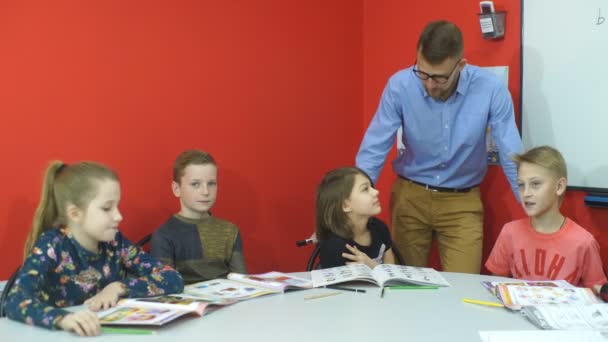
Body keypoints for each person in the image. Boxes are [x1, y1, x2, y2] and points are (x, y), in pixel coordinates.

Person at [355, 20, 522, 273]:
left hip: (462, 202)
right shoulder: (400, 85)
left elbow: (512, 152)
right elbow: (374, 147)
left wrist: (531, 204)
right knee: (403, 284)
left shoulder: (491, 90)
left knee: (465, 290)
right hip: (410, 197)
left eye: (439, 77)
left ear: (461, 66)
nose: (430, 84)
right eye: (422, 73)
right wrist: (354, 201)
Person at [4, 161, 184, 336]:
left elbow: (172, 277)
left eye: (117, 206)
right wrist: (62, 319)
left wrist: (119, 287)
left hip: (101, 333)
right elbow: (14, 301)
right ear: (75, 213)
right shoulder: (52, 245)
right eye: (107, 208)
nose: (119, 216)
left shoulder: (116, 243)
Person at [485, 146, 607, 288]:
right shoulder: (509, 232)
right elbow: (496, 288)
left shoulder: (584, 242)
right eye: (521, 185)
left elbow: (598, 294)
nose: (526, 193)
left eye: (535, 184)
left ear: (559, 186)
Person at [151, 150, 246, 284]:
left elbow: (241, 281)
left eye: (211, 183)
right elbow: (164, 285)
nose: (206, 192)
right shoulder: (164, 235)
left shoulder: (230, 230)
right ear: (176, 189)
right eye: (195, 184)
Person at [315, 167, 396, 269]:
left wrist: (372, 265)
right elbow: (338, 284)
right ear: (345, 205)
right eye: (365, 189)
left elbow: (392, 273)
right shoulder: (335, 245)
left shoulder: (380, 228)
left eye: (371, 186)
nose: (376, 192)